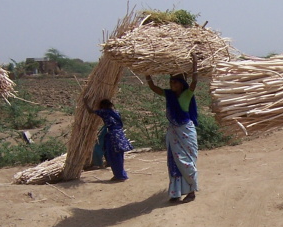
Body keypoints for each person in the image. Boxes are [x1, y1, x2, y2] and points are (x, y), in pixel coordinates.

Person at [145, 55, 199, 202]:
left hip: (186, 131)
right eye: (170, 81)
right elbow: (153, 88)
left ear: (181, 84)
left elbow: (194, 82)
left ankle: (191, 191)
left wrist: (195, 63)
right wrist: (147, 74)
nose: (171, 84)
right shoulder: (168, 95)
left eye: (174, 82)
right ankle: (176, 192)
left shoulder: (187, 94)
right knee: (174, 161)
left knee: (186, 162)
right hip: (173, 131)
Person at [83, 97, 133, 181]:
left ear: (102, 106)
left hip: (112, 136)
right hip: (120, 135)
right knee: (119, 155)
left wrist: (85, 102)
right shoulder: (117, 112)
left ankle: (119, 176)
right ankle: (121, 174)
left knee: (113, 156)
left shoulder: (104, 112)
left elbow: (90, 111)